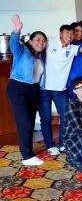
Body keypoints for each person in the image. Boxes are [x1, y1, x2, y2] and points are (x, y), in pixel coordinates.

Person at [39, 24, 82, 155]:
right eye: (66, 33)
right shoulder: (50, 41)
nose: (69, 36)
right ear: (60, 33)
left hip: (61, 90)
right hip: (44, 89)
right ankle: (50, 145)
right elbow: (37, 43)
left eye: (71, 34)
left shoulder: (72, 48)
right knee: (45, 118)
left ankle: (62, 143)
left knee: (66, 117)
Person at [6, 15, 46, 166]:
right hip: (18, 87)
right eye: (38, 40)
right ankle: (27, 156)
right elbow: (14, 45)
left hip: (32, 89)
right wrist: (16, 31)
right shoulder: (22, 51)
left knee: (29, 121)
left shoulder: (40, 57)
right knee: (26, 122)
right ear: (30, 41)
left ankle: (27, 150)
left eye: (43, 41)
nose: (41, 43)